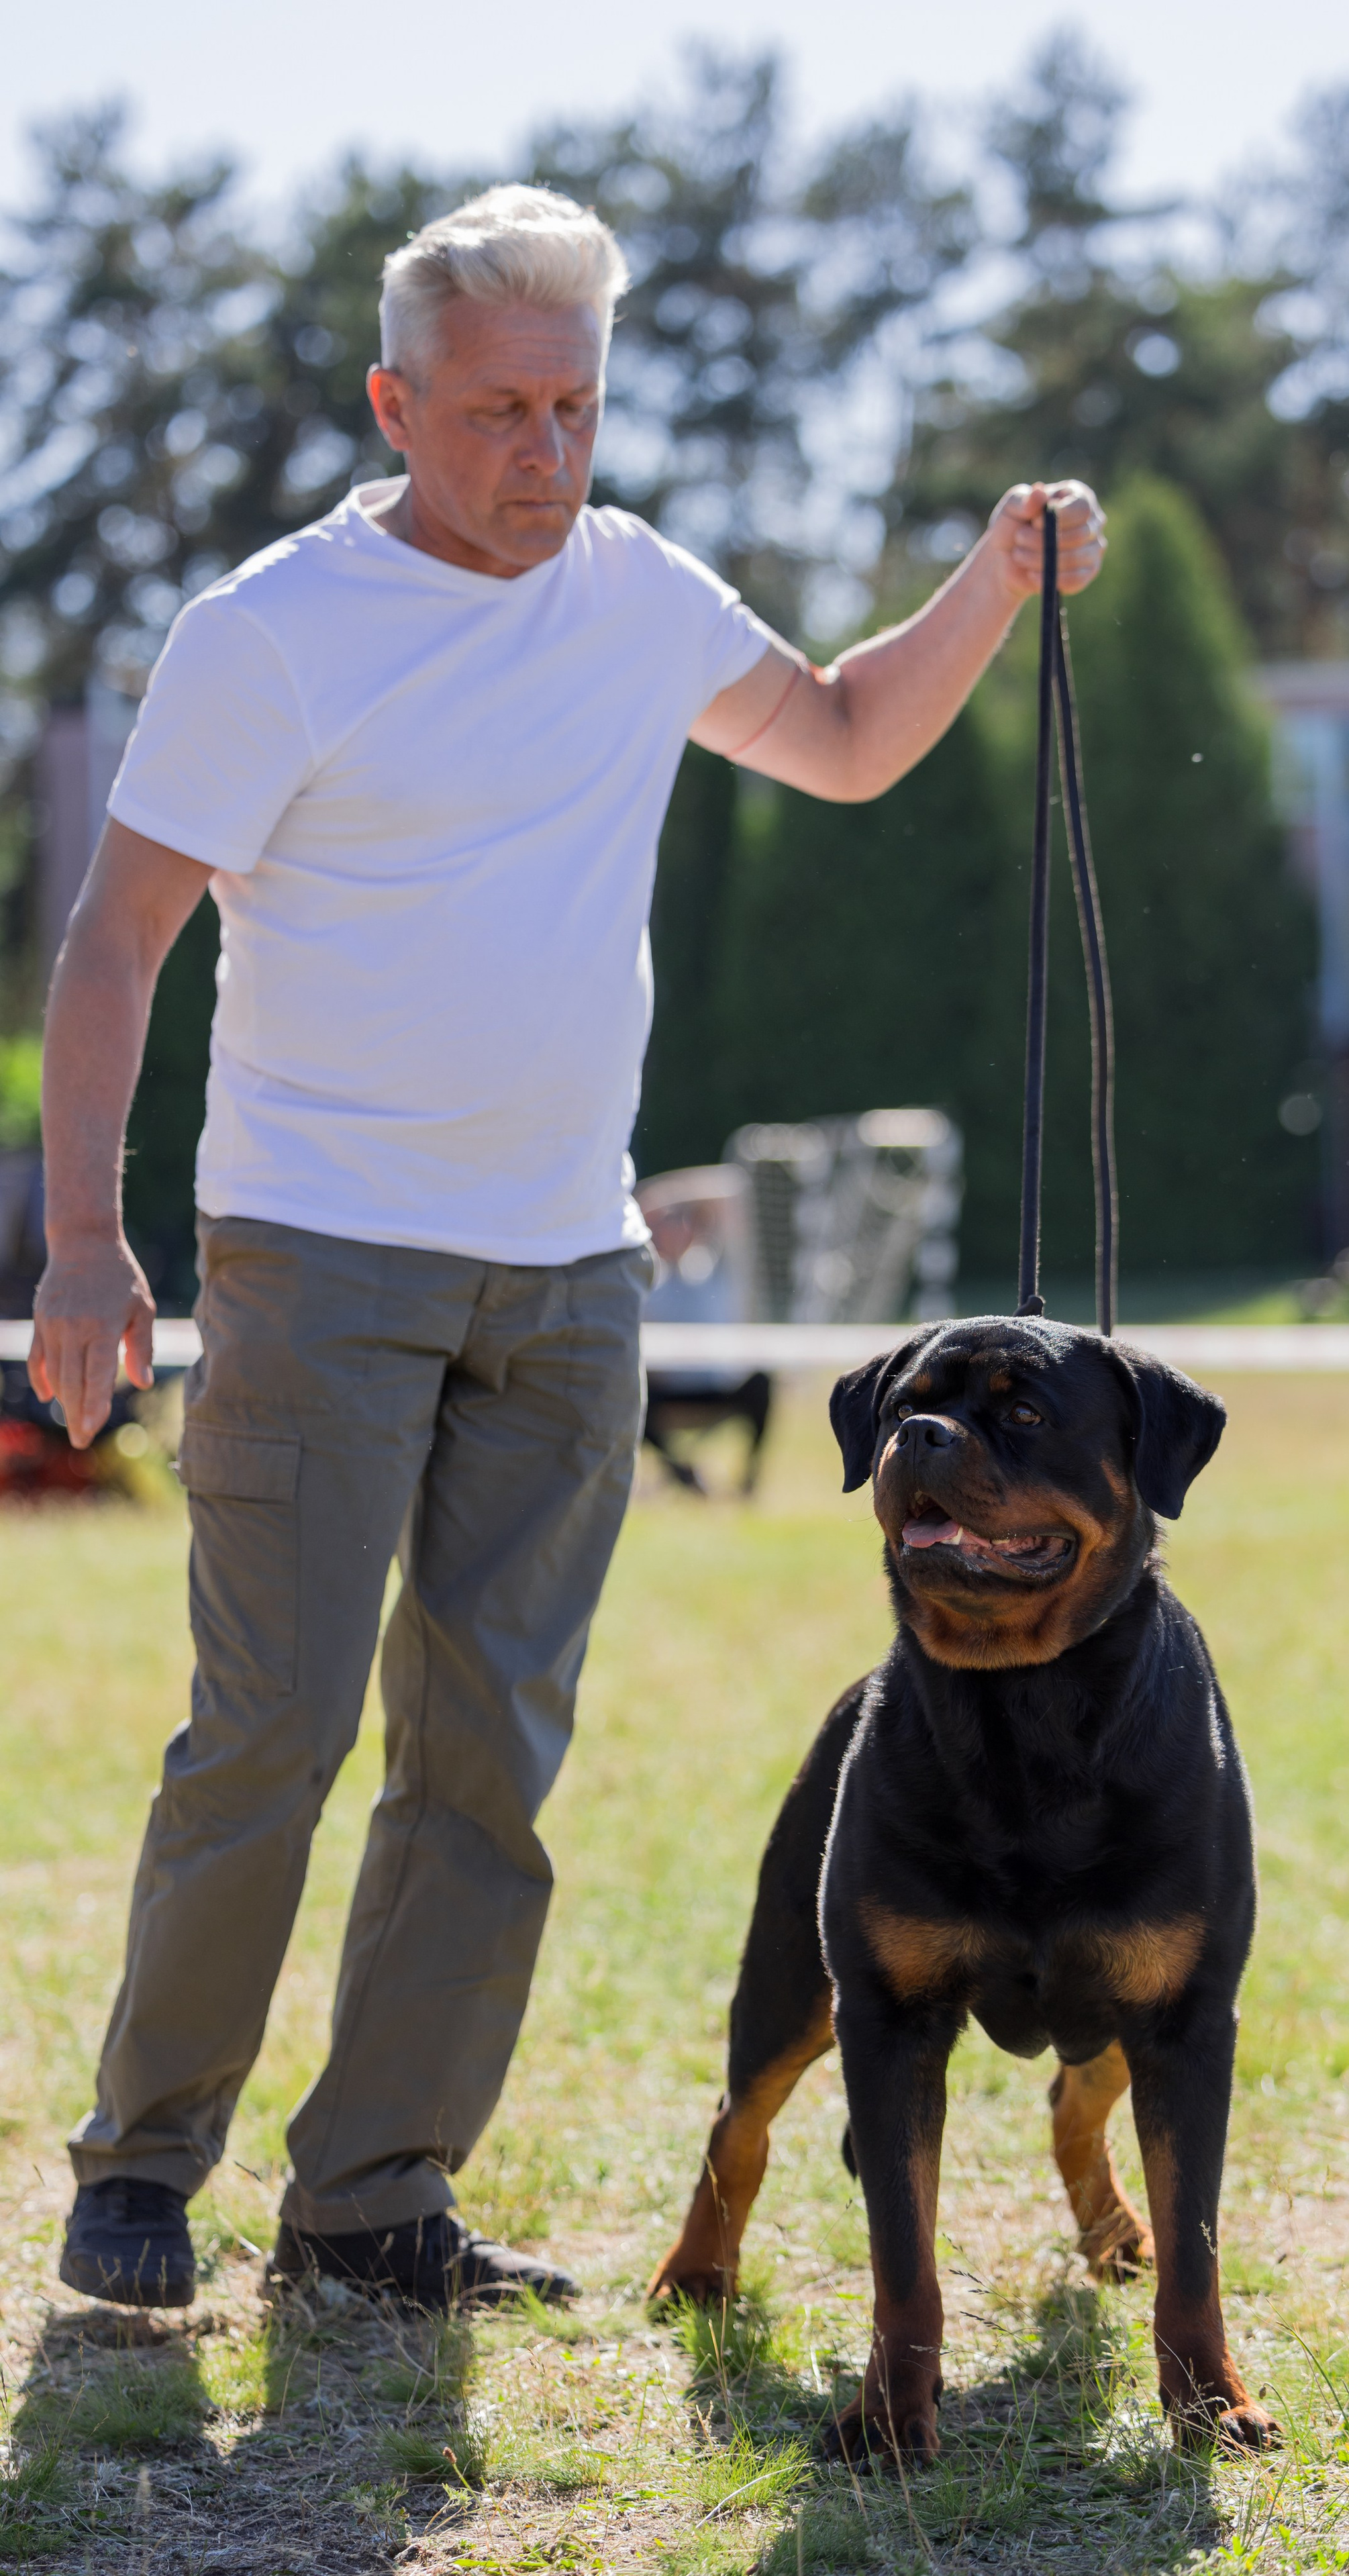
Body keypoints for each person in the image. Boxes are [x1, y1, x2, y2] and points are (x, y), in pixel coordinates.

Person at [30, 185, 1107, 2312]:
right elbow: (114, 937)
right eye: (503, 410)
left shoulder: (631, 594)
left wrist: (993, 578)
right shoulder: (273, 630)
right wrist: (87, 1239)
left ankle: (374, 2203)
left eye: (578, 406)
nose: (547, 453)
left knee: (490, 1757)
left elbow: (849, 736)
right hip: (314, 1255)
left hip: (566, 1273)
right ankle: (142, 2169)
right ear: (395, 405)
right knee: (272, 1729)